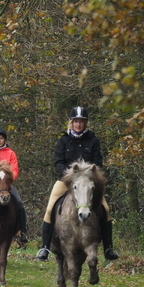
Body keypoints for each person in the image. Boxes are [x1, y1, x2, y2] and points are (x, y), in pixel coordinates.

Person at [35, 106, 118, 262]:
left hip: (87, 183)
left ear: (85, 123)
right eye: (76, 122)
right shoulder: (63, 140)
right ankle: (45, 247)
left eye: (81, 122)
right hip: (66, 181)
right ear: (71, 123)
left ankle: (108, 248)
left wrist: (89, 174)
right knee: (50, 208)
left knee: (106, 209)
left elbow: (98, 163)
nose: (78, 124)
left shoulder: (93, 140)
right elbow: (58, 162)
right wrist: (69, 174)